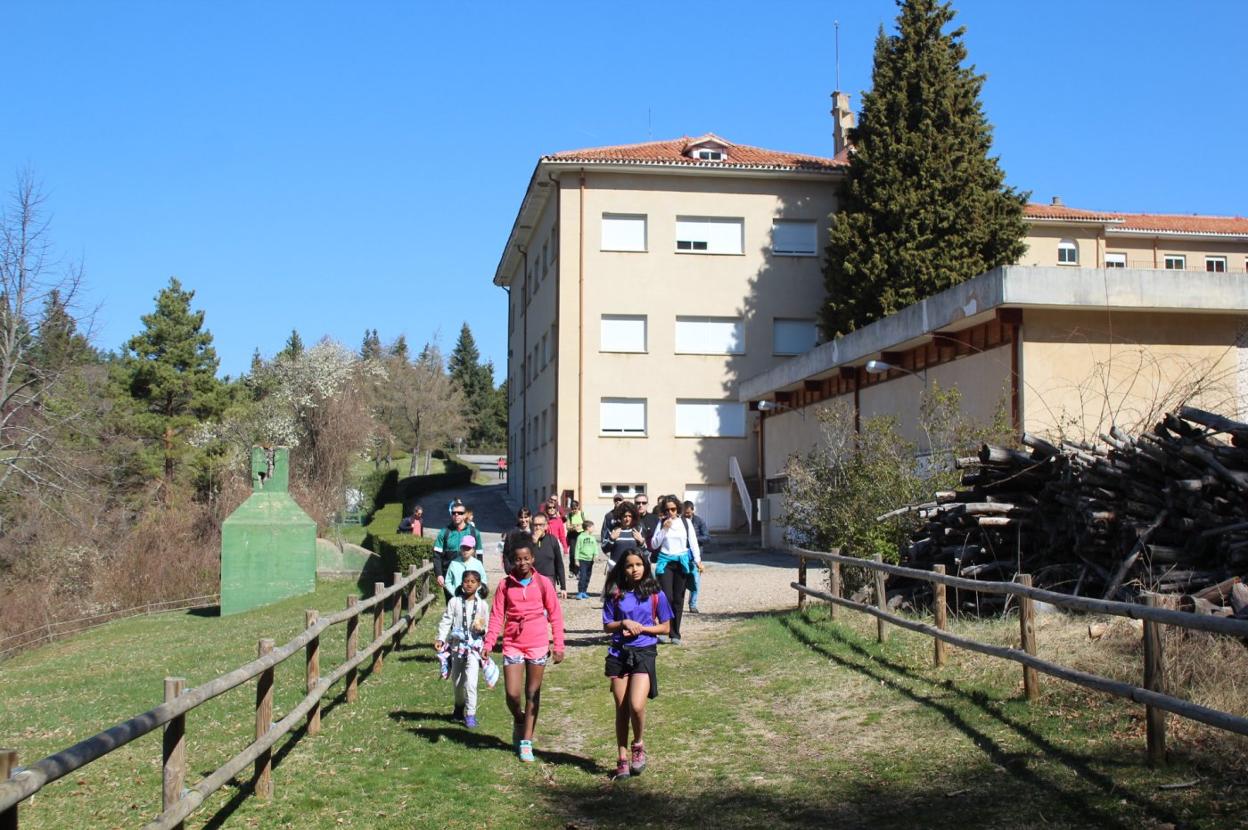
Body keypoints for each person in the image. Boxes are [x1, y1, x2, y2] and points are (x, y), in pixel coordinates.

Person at [483, 541, 565, 762]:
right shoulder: (505, 585)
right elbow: (497, 616)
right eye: (518, 559)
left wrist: (558, 644)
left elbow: (555, 614)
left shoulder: (543, 583)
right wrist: (489, 643)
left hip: (537, 642)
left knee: (532, 693)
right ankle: (519, 719)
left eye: (526, 558)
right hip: (513, 642)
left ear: (533, 559)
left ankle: (526, 741)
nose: (522, 562)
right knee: (512, 694)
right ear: (512, 560)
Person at [601, 550, 673, 779]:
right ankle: (622, 757)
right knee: (621, 708)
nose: (635, 569)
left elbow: (666, 627)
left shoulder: (656, 594)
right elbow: (607, 625)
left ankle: (638, 744)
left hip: (644, 652)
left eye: (639, 564)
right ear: (623, 569)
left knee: (637, 705)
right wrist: (623, 622)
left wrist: (643, 629)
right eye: (630, 565)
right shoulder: (616, 594)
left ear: (645, 566)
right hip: (618, 653)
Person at [434, 570, 490, 728]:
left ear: (479, 584)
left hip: (473, 649)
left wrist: (482, 632)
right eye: (466, 581)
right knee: (458, 682)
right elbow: (446, 620)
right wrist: (440, 637)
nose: (469, 584)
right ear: (461, 583)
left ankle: (471, 714)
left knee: (471, 682)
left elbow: (487, 624)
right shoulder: (454, 602)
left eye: (473, 581)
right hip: (457, 648)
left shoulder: (482, 605)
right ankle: (459, 707)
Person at [649, 495, 702, 645]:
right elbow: (654, 544)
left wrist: (698, 561)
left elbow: (693, 542)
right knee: (666, 597)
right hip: (665, 563)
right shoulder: (661, 523)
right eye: (667, 510)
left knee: (678, 599)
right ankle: (664, 629)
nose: (670, 512)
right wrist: (664, 528)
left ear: (677, 508)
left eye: (673, 509)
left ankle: (675, 633)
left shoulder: (686, 523)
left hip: (682, 562)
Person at [434, 502, 484, 600]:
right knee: (452, 605)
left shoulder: (474, 532)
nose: (456, 515)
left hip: (470, 576)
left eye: (460, 513)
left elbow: (479, 555)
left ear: (465, 515)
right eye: (454, 513)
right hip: (450, 575)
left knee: (469, 605)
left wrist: (480, 576)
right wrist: (439, 574)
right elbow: (437, 555)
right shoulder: (444, 532)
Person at [529, 510, 568, 599]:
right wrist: (533, 542)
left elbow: (559, 564)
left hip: (548, 580)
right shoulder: (527, 541)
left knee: (548, 610)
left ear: (546, 526)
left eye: (541, 525)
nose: (538, 527)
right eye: (535, 525)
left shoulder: (552, 540)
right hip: (531, 580)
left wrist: (563, 587)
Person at [682, 501, 710, 614]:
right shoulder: (679, 522)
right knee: (681, 582)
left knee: (695, 582)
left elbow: (707, 538)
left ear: (693, 510)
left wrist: (693, 539)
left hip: (695, 557)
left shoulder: (699, 521)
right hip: (682, 556)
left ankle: (693, 605)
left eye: (688, 513)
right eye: (684, 513)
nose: (686, 515)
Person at [602, 501, 644, 571]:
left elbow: (645, 552)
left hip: (632, 569)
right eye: (625, 516)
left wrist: (641, 542)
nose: (627, 519)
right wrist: (611, 539)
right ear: (620, 517)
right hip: (615, 569)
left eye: (630, 516)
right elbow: (604, 549)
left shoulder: (638, 530)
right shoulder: (614, 530)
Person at [573, 518, 600, 599]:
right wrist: (576, 559)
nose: (594, 529)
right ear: (588, 528)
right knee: (583, 576)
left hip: (590, 560)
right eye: (592, 527)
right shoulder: (580, 537)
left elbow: (595, 547)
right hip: (582, 560)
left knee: (588, 576)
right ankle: (580, 592)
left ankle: (584, 591)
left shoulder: (592, 538)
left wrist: (595, 555)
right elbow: (577, 548)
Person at [500, 508, 533, 572]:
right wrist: (508, 569)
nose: (523, 520)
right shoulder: (511, 534)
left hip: (532, 570)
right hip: (516, 569)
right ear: (518, 518)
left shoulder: (535, 532)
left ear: (530, 517)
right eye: (521, 517)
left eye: (526, 517)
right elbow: (506, 553)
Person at [566, 500, 584, 577]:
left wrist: (580, 526)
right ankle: (572, 570)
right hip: (572, 535)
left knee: (580, 553)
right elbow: (567, 526)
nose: (574, 510)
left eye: (575, 508)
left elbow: (586, 524)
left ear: (578, 507)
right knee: (573, 553)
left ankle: (578, 571)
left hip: (581, 534)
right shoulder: (569, 515)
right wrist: (573, 527)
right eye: (572, 509)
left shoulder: (582, 514)